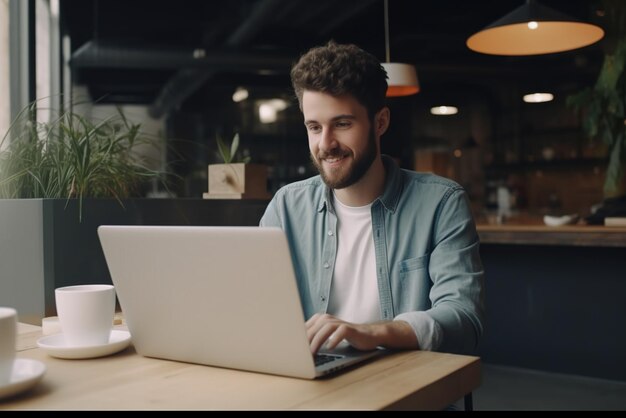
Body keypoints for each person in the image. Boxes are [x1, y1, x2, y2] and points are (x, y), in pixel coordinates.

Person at [259, 40, 484, 356]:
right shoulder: (286, 207)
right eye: (314, 127)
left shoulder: (441, 203)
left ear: (380, 122)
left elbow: (463, 319)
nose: (326, 144)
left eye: (342, 124)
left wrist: (372, 331)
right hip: (311, 388)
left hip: (403, 388)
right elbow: (255, 308)